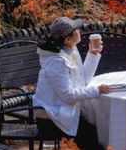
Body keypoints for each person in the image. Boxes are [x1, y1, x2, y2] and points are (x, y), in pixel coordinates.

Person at [33, 16, 112, 150]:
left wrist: (93, 54)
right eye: (75, 29)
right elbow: (68, 95)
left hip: (66, 110)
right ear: (67, 38)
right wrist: (97, 90)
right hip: (52, 118)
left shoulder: (69, 50)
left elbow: (82, 81)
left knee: (103, 130)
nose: (79, 31)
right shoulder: (57, 62)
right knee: (93, 138)